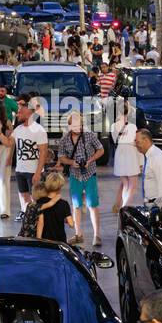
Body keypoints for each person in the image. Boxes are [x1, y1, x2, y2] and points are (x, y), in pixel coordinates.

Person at [54, 111, 104, 245]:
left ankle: (97, 235)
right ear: (69, 126)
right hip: (75, 175)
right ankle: (78, 234)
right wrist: (71, 163)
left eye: (80, 125)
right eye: (75, 125)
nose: (78, 127)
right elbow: (61, 157)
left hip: (89, 174)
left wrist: (90, 160)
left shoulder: (89, 136)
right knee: (76, 205)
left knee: (93, 205)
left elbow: (101, 150)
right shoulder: (65, 140)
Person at [11, 102, 48, 220]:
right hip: (20, 170)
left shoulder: (39, 130)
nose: (17, 115)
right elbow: (8, 143)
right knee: (25, 198)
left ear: (28, 112)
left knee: (36, 199)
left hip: (33, 171)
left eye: (20, 112)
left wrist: (38, 172)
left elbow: (43, 153)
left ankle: (39, 223)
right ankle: (30, 221)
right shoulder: (18, 129)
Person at [134, 129, 162, 206]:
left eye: (138, 142)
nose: (136, 145)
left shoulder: (158, 158)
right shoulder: (148, 156)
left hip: (156, 206)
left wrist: (159, 211)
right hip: (149, 204)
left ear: (146, 140)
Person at [35, 171, 73, 243]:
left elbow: (40, 222)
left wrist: (38, 240)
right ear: (60, 187)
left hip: (45, 239)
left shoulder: (40, 201)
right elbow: (71, 224)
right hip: (60, 240)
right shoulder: (64, 204)